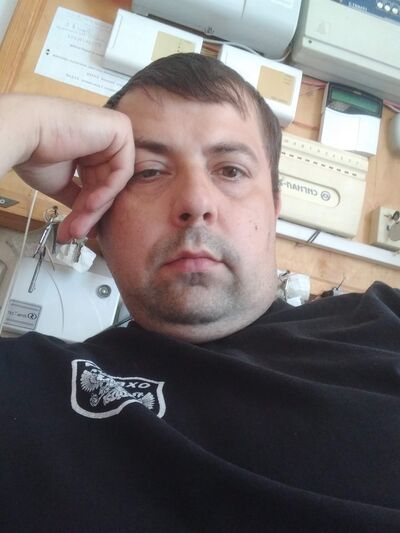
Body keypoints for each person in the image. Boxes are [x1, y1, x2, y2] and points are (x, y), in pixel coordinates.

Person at [0, 53, 399, 532]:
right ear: (98, 215)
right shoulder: (26, 388)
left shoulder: (385, 324)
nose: (195, 202)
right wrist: (19, 124)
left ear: (274, 207)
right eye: (149, 171)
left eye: (230, 170)